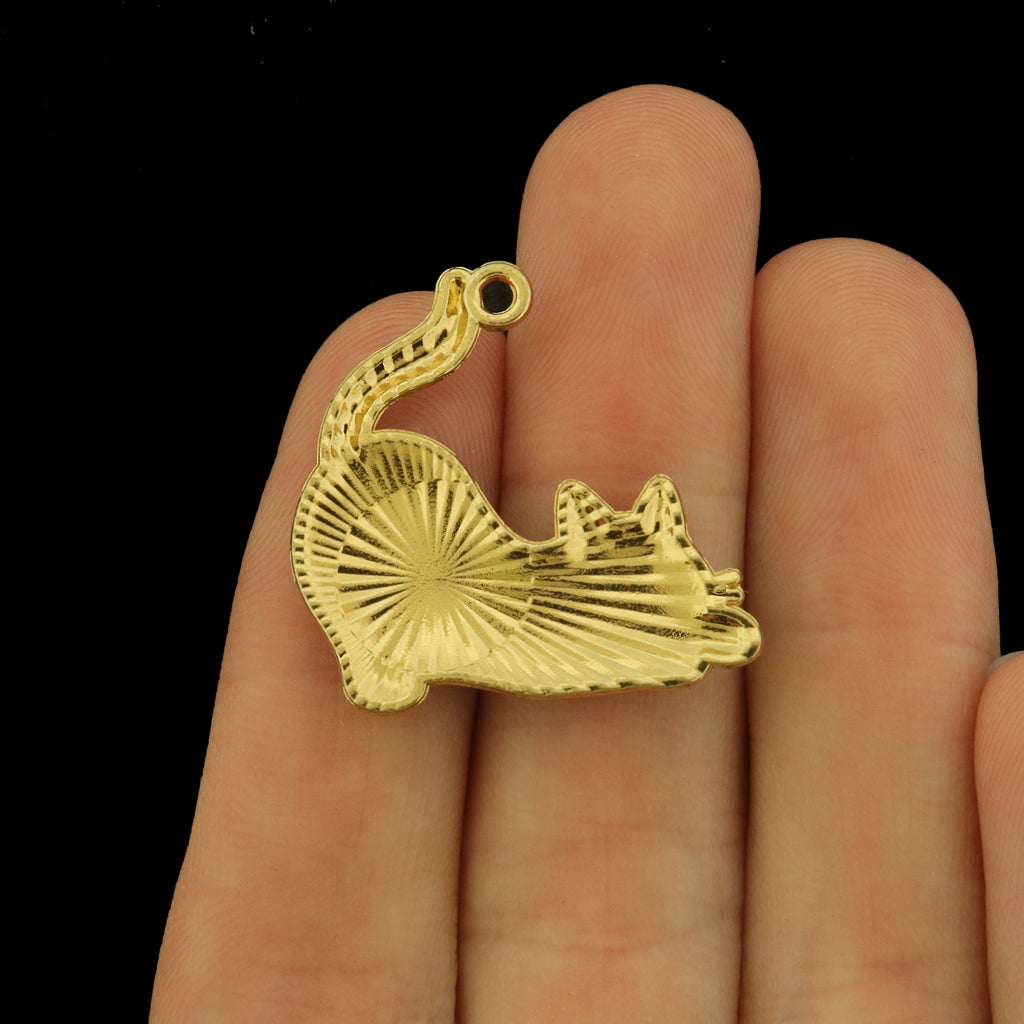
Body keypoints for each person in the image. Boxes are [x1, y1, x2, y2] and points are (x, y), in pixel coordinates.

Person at [150, 85, 1022, 1022]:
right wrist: (703, 630)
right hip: (386, 567)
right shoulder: (558, 604)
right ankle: (385, 645)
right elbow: (648, 635)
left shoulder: (564, 589)